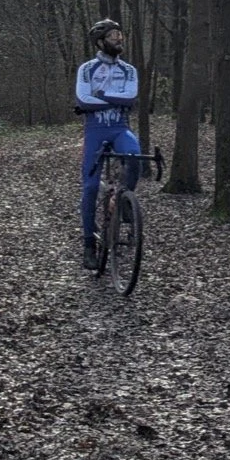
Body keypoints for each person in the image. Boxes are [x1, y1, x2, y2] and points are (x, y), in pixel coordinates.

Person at [75, 17, 142, 270]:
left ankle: (124, 201)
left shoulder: (129, 70)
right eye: (113, 36)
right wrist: (117, 99)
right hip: (95, 130)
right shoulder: (86, 69)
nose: (119, 39)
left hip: (119, 128)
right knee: (91, 188)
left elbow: (132, 97)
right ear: (101, 41)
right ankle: (88, 244)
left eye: (120, 35)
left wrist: (101, 96)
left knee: (135, 156)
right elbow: (83, 100)